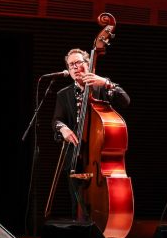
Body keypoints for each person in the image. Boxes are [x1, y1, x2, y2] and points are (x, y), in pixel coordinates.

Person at [51, 48, 130, 220]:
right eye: (71, 65)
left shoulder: (101, 87)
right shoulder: (63, 95)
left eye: (78, 62)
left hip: (100, 161)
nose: (75, 67)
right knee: (77, 205)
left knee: (104, 203)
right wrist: (62, 128)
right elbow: (57, 121)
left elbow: (125, 100)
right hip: (75, 157)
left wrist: (107, 83)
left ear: (88, 64)